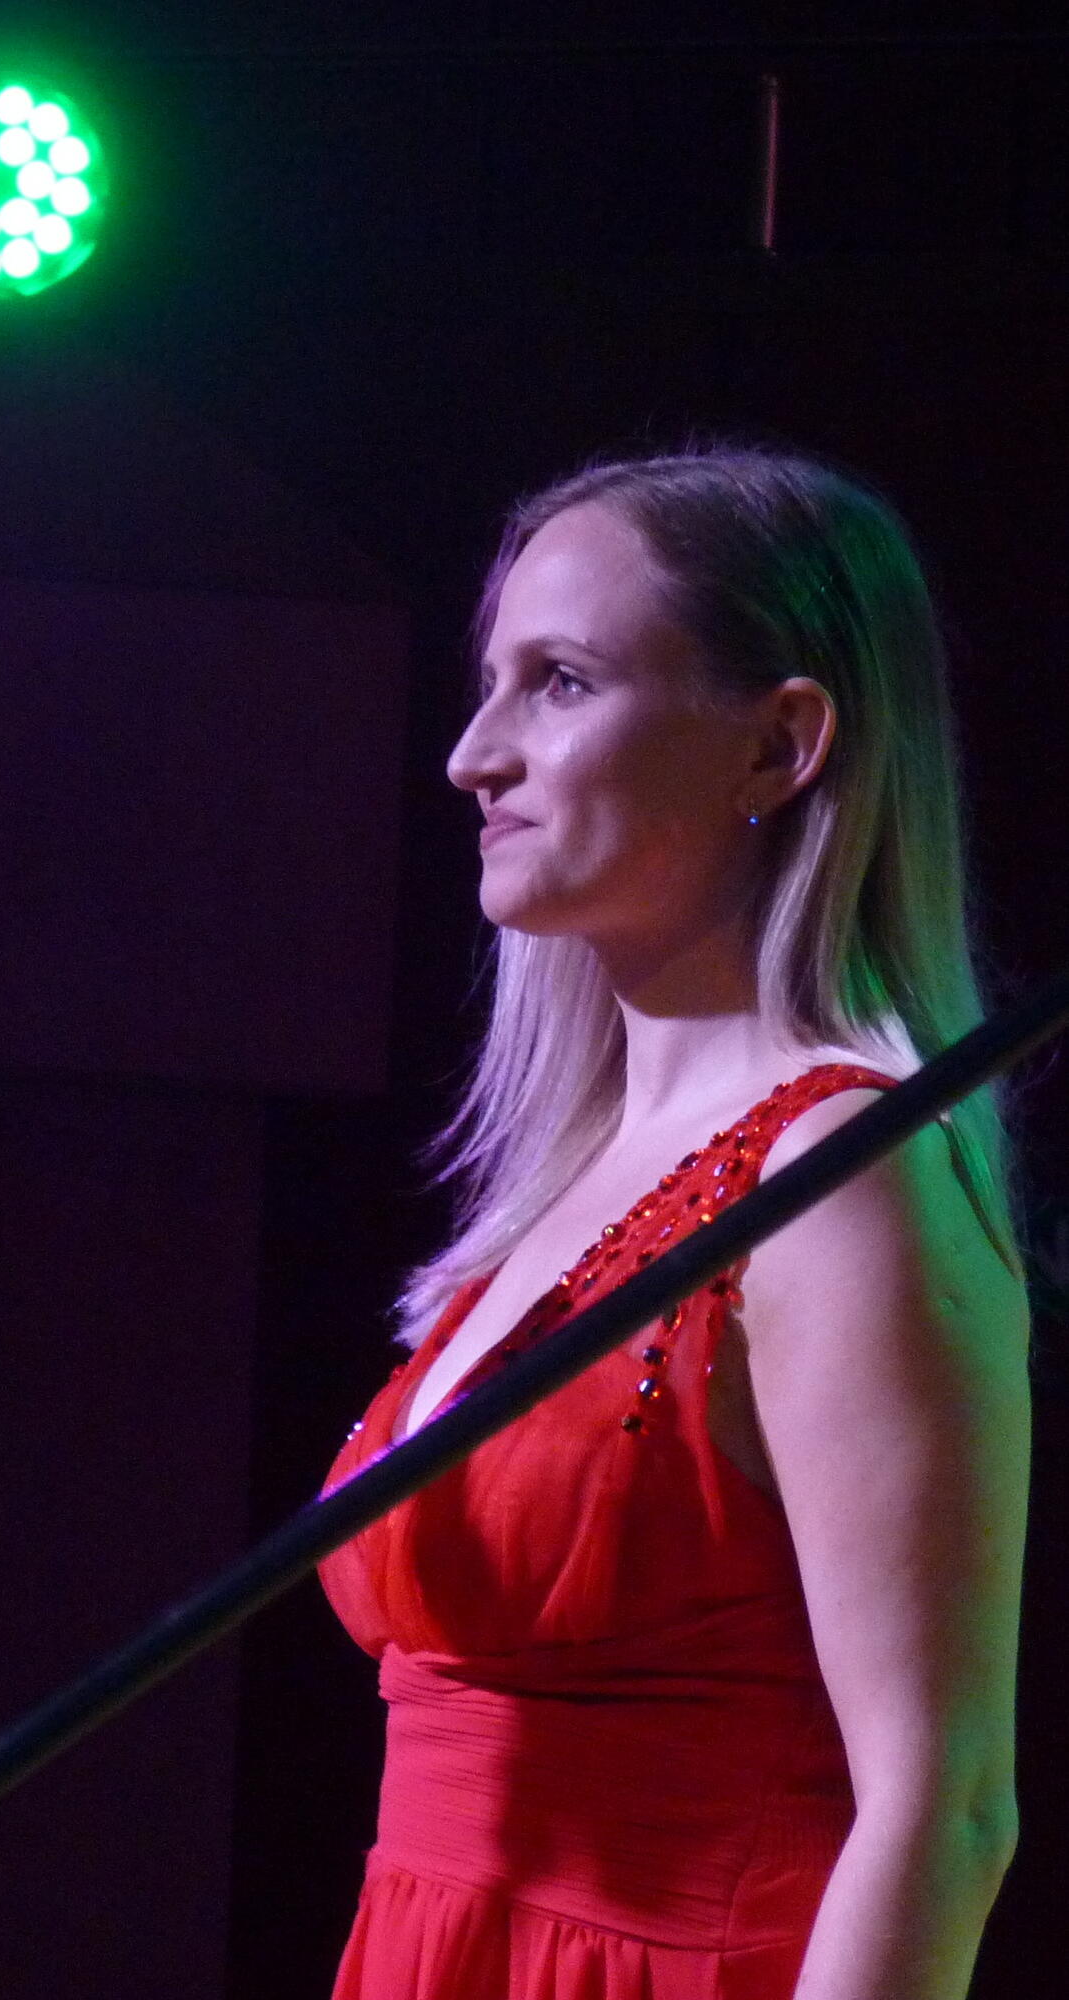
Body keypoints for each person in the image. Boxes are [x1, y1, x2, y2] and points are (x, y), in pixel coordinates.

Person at [317, 446, 1030, 2000]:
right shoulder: (566, 1187)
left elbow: (946, 1808)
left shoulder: (841, 1178)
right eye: (491, 685)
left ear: (780, 746)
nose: (474, 756)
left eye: (561, 683)